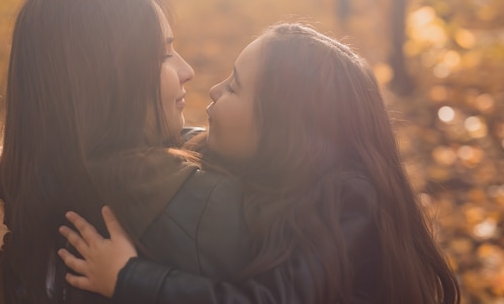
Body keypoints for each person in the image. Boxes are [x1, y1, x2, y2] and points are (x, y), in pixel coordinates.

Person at [56, 24, 461, 304]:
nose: (212, 89)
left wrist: (128, 278)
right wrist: (11, 157)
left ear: (284, 126)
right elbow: (168, 144)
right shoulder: (279, 169)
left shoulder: (348, 197)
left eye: (233, 86)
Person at [0, 0, 255, 304]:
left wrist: (20, 156)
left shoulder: (20, 203)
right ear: (108, 79)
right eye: (164, 54)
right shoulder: (195, 201)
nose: (188, 71)